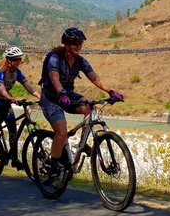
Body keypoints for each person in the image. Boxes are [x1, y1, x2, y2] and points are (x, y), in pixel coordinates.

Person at [38, 27, 123, 187]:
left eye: (81, 43)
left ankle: (82, 144)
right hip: (50, 97)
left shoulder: (80, 61)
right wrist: (61, 92)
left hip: (68, 95)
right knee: (61, 132)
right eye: (76, 43)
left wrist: (111, 91)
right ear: (66, 44)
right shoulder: (54, 57)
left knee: (91, 108)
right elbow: (54, 78)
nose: (79, 46)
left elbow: (95, 78)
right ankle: (54, 168)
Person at [0, 46, 41, 170]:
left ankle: (14, 159)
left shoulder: (17, 72)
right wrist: (9, 97)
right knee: (2, 109)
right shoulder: (1, 71)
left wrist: (39, 96)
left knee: (13, 129)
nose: (19, 62)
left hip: (4, 100)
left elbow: (27, 85)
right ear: (9, 60)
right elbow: (0, 86)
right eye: (16, 59)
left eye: (20, 59)